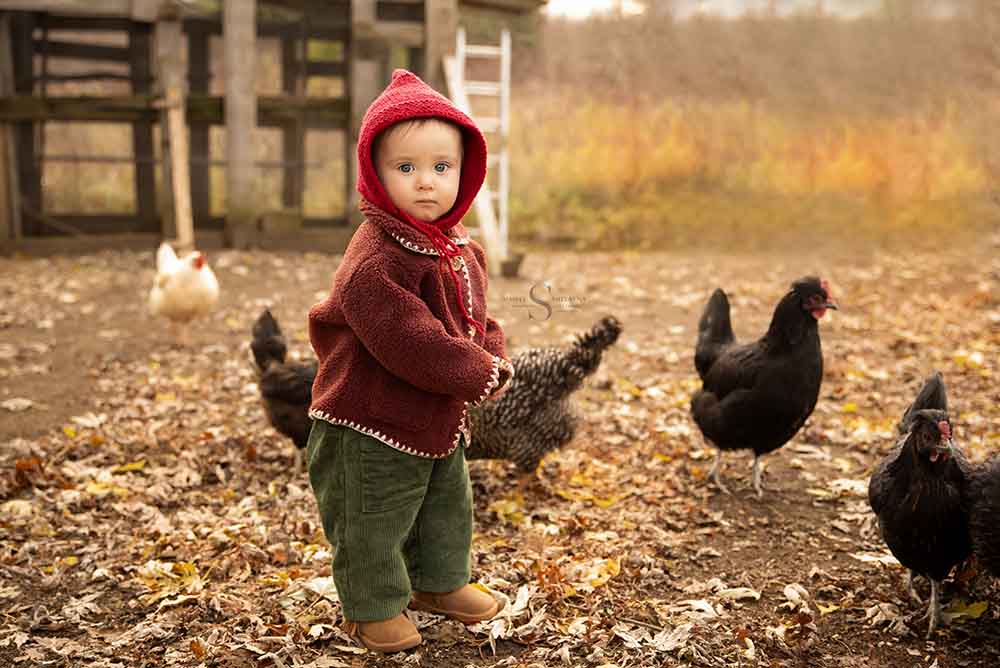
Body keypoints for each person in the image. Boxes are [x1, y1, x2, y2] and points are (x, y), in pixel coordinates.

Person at [306, 69, 514, 653]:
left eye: (441, 168)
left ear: (464, 172)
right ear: (375, 173)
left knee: (445, 503)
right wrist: (471, 371)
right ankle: (370, 607)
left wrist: (491, 352)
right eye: (406, 168)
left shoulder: (457, 247)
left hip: (432, 414)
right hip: (368, 417)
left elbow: (475, 318)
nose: (426, 183)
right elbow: (409, 338)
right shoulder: (375, 258)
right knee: (374, 516)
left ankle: (438, 582)